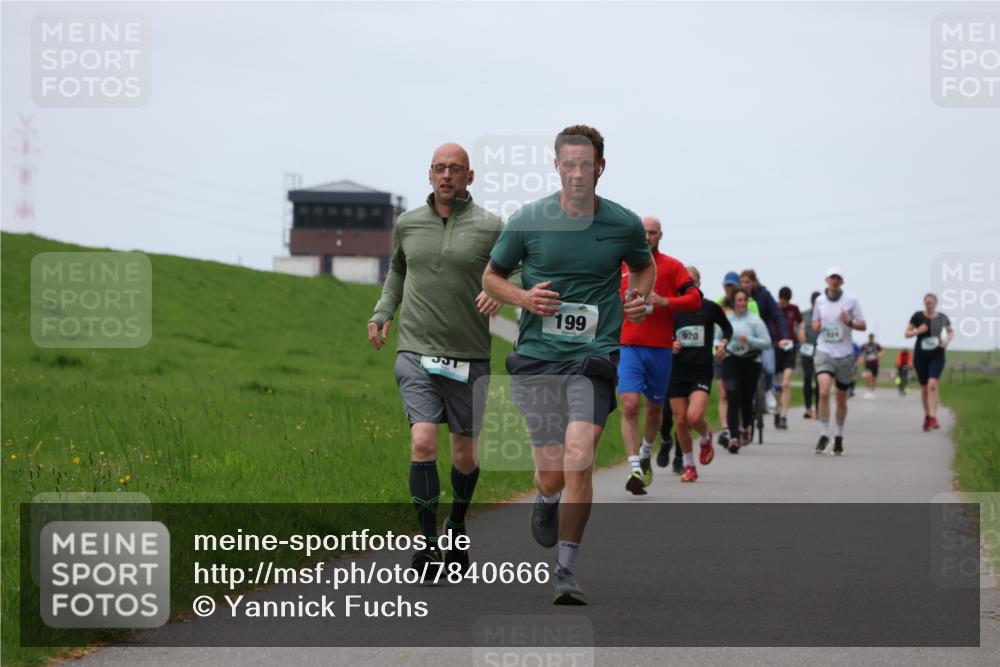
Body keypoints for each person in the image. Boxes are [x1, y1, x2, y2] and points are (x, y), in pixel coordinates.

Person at [483, 125, 654, 605]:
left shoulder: (623, 223)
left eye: (586, 164)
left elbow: (642, 266)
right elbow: (492, 277)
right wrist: (523, 296)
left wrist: (636, 295)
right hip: (538, 359)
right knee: (552, 473)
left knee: (581, 457)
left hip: (594, 356)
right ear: (557, 165)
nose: (578, 173)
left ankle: (566, 569)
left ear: (600, 167)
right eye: (569, 164)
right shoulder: (529, 220)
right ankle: (546, 497)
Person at [368, 143, 508, 573]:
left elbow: (515, 270)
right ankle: (429, 544)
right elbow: (397, 271)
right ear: (430, 174)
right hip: (416, 350)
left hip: (469, 355)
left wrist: (499, 291)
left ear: (470, 177)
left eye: (456, 169)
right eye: (440, 168)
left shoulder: (490, 226)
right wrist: (382, 312)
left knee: (464, 455)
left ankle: (457, 524)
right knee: (423, 442)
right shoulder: (408, 224)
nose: (447, 175)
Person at [618, 217, 700, 495]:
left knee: (654, 408)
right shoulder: (621, 266)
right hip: (628, 345)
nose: (647, 237)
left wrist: (666, 302)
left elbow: (695, 299)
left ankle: (645, 452)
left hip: (661, 349)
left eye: (652, 233)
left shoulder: (672, 266)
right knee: (629, 405)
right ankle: (634, 468)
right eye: (642, 233)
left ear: (660, 236)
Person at [669, 266, 732, 480]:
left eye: (692, 281)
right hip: (676, 371)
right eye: (684, 282)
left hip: (701, 370)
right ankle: (689, 466)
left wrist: (723, 343)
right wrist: (670, 344)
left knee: (694, 417)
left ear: (698, 284)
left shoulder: (710, 308)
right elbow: (661, 334)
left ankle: (705, 438)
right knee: (680, 422)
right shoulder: (672, 309)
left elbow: (728, 328)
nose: (688, 285)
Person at [812, 267, 866, 455]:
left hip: (844, 354)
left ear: (841, 282)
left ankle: (839, 436)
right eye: (831, 277)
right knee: (824, 391)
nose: (834, 281)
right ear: (826, 280)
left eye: (838, 278)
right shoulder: (819, 300)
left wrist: (849, 322)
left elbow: (863, 324)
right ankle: (824, 434)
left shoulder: (851, 300)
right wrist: (816, 325)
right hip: (824, 351)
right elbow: (815, 322)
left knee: (841, 399)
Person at [718, 287, 771, 452]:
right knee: (732, 397)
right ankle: (734, 437)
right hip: (731, 360)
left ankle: (746, 426)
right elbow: (716, 338)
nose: (742, 303)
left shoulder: (755, 321)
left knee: (746, 399)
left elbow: (767, 342)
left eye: (744, 300)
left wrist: (750, 339)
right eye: (739, 300)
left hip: (751, 361)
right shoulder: (727, 320)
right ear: (733, 302)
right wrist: (719, 347)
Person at [714, 272, 759, 448]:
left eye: (732, 286)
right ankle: (727, 429)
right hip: (720, 354)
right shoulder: (718, 303)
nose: (729, 289)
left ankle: (741, 425)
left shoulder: (751, 304)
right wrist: (717, 348)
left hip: (745, 354)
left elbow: (755, 324)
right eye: (727, 286)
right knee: (725, 394)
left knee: (739, 396)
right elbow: (712, 329)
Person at [739, 270, 793, 415]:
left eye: (747, 282)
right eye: (742, 282)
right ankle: (747, 397)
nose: (744, 285)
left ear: (754, 282)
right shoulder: (738, 297)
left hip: (765, 339)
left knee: (769, 369)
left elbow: (778, 315)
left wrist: (784, 336)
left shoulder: (764, 295)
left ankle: (768, 390)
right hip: (745, 340)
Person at [905, 293, 955, 431]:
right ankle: (927, 415)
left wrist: (947, 340)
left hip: (937, 354)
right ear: (924, 303)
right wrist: (917, 331)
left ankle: (933, 417)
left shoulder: (942, 317)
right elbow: (906, 333)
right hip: (921, 356)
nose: (929, 305)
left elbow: (951, 332)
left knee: (932, 384)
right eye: (927, 303)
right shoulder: (917, 316)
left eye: (931, 303)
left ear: (936, 303)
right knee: (924, 389)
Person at [774, 286, 803, 429]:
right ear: (779, 298)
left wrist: (802, 332)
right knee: (776, 386)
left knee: (786, 383)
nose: (784, 304)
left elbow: (801, 322)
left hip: (790, 348)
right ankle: (777, 408)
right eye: (782, 301)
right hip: (776, 348)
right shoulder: (773, 308)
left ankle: (784, 416)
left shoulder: (794, 309)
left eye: (786, 302)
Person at [799, 290, 821, 419]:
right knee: (807, 377)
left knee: (819, 380)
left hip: (820, 350)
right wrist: (800, 332)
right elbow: (798, 327)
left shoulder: (824, 315)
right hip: (807, 349)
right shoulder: (804, 315)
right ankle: (808, 408)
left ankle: (818, 408)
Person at [860, 333, 885, 399]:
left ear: (873, 338)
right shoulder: (865, 345)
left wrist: (879, 355)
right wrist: (862, 358)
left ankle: (872, 392)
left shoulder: (876, 345)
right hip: (868, 363)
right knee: (868, 377)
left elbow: (882, 352)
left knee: (873, 379)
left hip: (875, 364)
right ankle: (868, 391)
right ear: (868, 338)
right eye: (870, 338)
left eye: (872, 338)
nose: (871, 339)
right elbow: (860, 352)